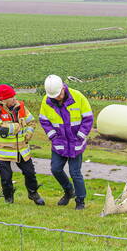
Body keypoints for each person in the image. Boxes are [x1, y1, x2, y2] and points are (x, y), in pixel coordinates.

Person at [39, 74, 93, 210]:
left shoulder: (78, 97)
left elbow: (88, 118)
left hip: (76, 143)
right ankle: (69, 191)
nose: (57, 98)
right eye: (54, 96)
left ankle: (80, 201)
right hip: (59, 143)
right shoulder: (46, 101)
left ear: (63, 87)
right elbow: (44, 120)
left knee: (75, 173)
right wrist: (53, 136)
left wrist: (80, 136)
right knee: (55, 169)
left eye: (59, 95)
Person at [0, 84, 44, 205]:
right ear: (3, 99)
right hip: (3, 150)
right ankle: (8, 197)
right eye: (12, 97)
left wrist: (28, 134)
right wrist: (17, 126)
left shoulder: (20, 106)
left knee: (30, 172)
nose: (14, 99)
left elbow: (32, 122)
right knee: (6, 177)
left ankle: (33, 193)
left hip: (21, 148)